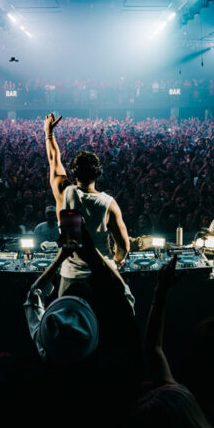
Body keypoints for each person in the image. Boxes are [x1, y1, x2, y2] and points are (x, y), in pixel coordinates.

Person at [42, 113, 130, 297]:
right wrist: (117, 260)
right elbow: (123, 246)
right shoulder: (109, 204)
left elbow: (53, 159)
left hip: (71, 276)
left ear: (74, 172)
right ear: (98, 174)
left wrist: (48, 133)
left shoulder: (63, 191)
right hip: (102, 275)